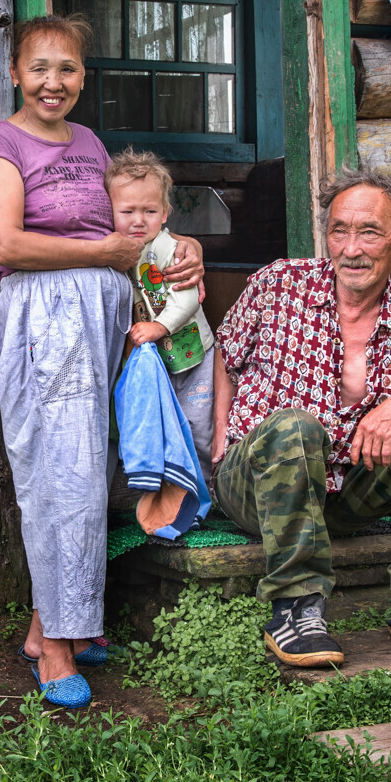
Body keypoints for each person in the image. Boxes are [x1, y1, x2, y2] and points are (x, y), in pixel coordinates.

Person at [0, 13, 203, 709]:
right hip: (46, 319)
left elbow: (129, 219)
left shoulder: (91, 142)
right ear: (15, 72)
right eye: (39, 68)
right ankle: (56, 649)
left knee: (92, 467)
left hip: (104, 317)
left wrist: (177, 241)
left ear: (81, 77)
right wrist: (102, 255)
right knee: (59, 475)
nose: (53, 82)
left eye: (67, 69)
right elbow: (5, 244)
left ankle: (53, 623)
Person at [211, 166, 391, 668]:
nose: (351, 249)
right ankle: (295, 606)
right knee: (295, 426)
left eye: (369, 232)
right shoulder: (279, 284)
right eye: (339, 230)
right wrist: (221, 436)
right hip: (257, 485)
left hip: (348, 489)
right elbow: (227, 351)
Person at [104, 148, 219, 536]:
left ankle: (207, 495)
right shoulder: (115, 251)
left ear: (165, 213)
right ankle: (168, 492)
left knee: (198, 427)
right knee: (167, 424)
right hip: (159, 362)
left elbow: (186, 298)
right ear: (110, 210)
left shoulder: (167, 248)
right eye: (128, 212)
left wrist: (159, 327)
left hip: (192, 356)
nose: (139, 221)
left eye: (150, 212)